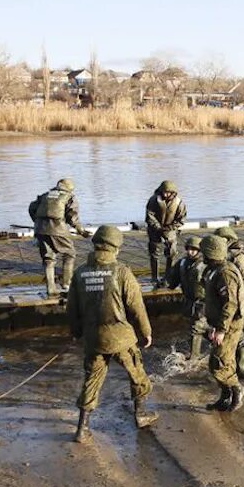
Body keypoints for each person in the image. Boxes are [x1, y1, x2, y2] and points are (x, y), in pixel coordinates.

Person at [67, 224, 158, 441]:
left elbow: (72, 308)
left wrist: (76, 332)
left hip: (93, 338)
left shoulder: (80, 273)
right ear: (115, 248)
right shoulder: (122, 272)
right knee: (137, 374)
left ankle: (82, 428)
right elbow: (136, 307)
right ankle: (140, 414)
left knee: (92, 379)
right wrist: (146, 332)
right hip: (121, 338)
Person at [200, 235, 244, 412]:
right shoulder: (214, 269)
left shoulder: (226, 273)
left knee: (219, 362)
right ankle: (225, 396)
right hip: (220, 323)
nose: (202, 256)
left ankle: (237, 391)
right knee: (222, 360)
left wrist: (220, 330)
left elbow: (230, 304)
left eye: (204, 252)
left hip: (229, 325)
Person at [28, 178, 91, 296]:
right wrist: (81, 231)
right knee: (69, 253)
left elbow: (32, 208)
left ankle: (50, 289)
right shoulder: (69, 197)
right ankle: (67, 284)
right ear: (70, 188)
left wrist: (37, 222)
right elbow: (72, 217)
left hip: (40, 230)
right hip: (58, 229)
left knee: (48, 259)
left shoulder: (45, 195)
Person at [215, 226, 244, 380]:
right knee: (235, 334)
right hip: (235, 302)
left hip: (238, 304)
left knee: (235, 335)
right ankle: (237, 366)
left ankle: (239, 366)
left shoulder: (238, 259)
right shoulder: (232, 256)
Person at [164, 235, 208, 359]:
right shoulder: (182, 263)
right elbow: (174, 279)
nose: (190, 252)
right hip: (189, 301)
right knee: (197, 328)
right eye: (188, 249)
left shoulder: (205, 265)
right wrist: (167, 283)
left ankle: (194, 358)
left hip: (203, 302)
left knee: (196, 328)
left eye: (194, 249)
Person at [145, 179, 187, 287]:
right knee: (154, 253)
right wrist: (158, 228)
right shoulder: (153, 200)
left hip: (171, 231)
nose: (166, 194)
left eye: (168, 192)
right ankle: (154, 277)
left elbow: (181, 219)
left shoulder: (179, 203)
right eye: (164, 192)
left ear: (173, 193)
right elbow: (150, 216)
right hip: (154, 230)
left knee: (171, 254)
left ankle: (168, 277)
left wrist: (170, 228)